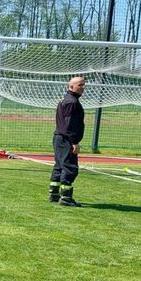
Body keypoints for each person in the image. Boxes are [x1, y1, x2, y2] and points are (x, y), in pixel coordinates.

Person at [50, 76, 86, 207]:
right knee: (70, 167)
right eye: (80, 85)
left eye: (83, 85)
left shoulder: (66, 99)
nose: (83, 87)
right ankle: (66, 197)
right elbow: (69, 124)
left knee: (59, 166)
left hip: (60, 138)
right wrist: (74, 142)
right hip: (65, 139)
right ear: (71, 86)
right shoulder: (72, 102)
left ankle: (54, 193)